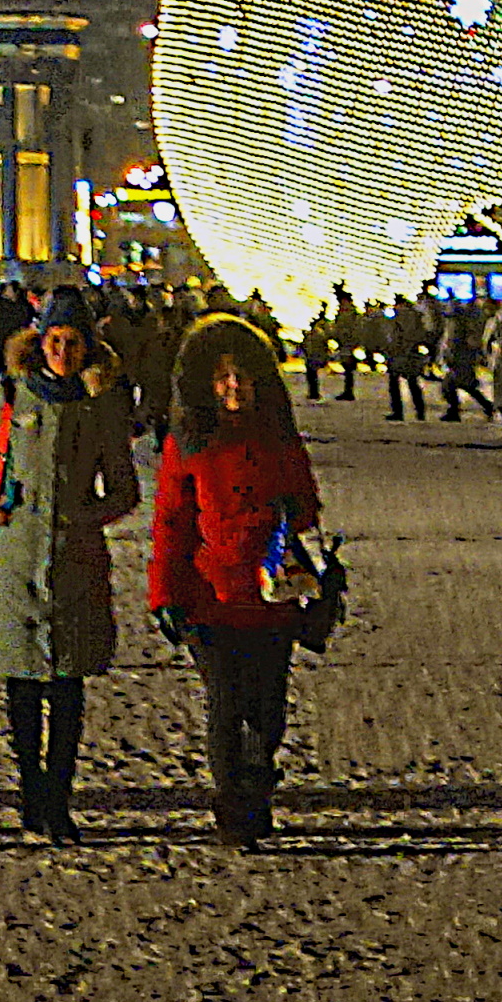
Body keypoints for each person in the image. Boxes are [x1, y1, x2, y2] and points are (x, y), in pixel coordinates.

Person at [149, 315, 325, 847]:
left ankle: (258, 783)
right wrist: (164, 595)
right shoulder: (189, 445)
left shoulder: (280, 439)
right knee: (227, 703)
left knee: (268, 708)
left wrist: (289, 515)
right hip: (209, 598)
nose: (232, 386)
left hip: (272, 596)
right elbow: (170, 524)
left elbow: (309, 508)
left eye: (242, 376)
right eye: (223, 376)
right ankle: (234, 807)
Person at [0, 293, 138, 842]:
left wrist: (87, 517)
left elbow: (124, 487)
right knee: (21, 688)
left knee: (67, 688)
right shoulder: (14, 398)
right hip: (17, 552)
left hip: (75, 558)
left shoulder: (103, 404)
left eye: (73, 341)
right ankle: (29, 795)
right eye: (55, 340)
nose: (64, 351)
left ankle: (58, 800)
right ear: (39, 342)